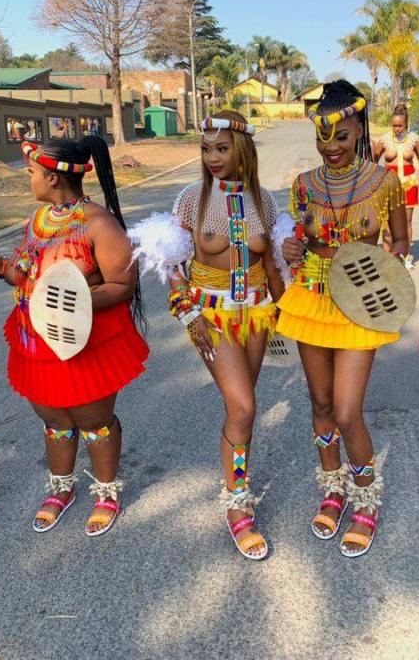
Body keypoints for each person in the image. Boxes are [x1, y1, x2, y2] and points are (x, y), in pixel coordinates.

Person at [0, 136, 149, 537]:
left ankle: (106, 492)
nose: (29, 179)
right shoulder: (38, 221)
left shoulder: (98, 223)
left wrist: (74, 301)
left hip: (84, 341)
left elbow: (122, 284)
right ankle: (62, 487)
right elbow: (24, 275)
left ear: (53, 178)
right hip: (37, 340)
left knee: (93, 420)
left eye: (32, 172)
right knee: (54, 418)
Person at [131, 110, 284, 561]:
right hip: (211, 316)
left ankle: (238, 481)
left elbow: (272, 264)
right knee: (244, 406)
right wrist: (189, 314)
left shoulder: (265, 202)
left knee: (242, 411)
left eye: (221, 148)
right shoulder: (191, 200)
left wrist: (289, 310)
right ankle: (237, 504)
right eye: (205, 149)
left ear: (243, 150)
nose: (212, 157)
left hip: (258, 315)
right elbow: (172, 265)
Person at [278, 80, 408, 558]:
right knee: (321, 401)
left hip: (359, 297)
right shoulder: (303, 185)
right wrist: (292, 248)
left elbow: (399, 241)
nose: (330, 146)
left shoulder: (385, 182)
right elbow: (297, 237)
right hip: (312, 294)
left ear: (359, 130)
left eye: (342, 136)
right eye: (322, 136)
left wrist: (387, 266)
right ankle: (332, 488)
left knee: (348, 410)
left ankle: (365, 497)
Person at [375, 104, 419, 269]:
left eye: (400, 126)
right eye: (394, 125)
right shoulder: (384, 140)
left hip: (409, 184)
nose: (397, 129)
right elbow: (374, 160)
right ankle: (388, 257)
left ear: (406, 125)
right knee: (387, 222)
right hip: (388, 185)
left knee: (407, 222)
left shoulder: (414, 139)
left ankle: (405, 256)